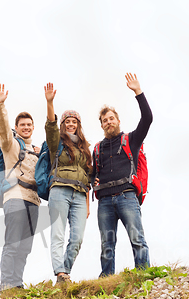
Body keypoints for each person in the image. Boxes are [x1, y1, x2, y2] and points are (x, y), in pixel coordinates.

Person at [92, 73, 153, 276]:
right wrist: (93, 180)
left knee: (137, 239)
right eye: (104, 120)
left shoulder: (131, 140)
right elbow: (93, 174)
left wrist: (138, 92)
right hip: (105, 201)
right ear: (101, 125)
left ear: (118, 120)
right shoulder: (98, 148)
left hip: (127, 196)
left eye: (111, 118)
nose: (108, 122)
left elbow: (147, 118)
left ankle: (143, 275)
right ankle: (107, 280)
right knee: (106, 245)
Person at [0, 84, 40, 291]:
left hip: (33, 200)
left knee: (25, 247)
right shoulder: (10, 144)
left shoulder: (38, 150)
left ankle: (17, 284)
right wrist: (0, 105)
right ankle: (6, 283)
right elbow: (4, 128)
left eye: (29, 124)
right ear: (17, 127)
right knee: (12, 243)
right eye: (22, 125)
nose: (26, 127)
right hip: (14, 197)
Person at [44, 82, 92, 284]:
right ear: (63, 124)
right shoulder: (57, 143)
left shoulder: (85, 148)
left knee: (77, 238)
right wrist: (50, 102)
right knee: (58, 234)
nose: (71, 124)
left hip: (80, 194)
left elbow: (88, 177)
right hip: (60, 191)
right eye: (67, 121)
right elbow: (51, 126)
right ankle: (61, 273)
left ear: (78, 125)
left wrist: (88, 204)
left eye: (74, 121)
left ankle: (65, 271)